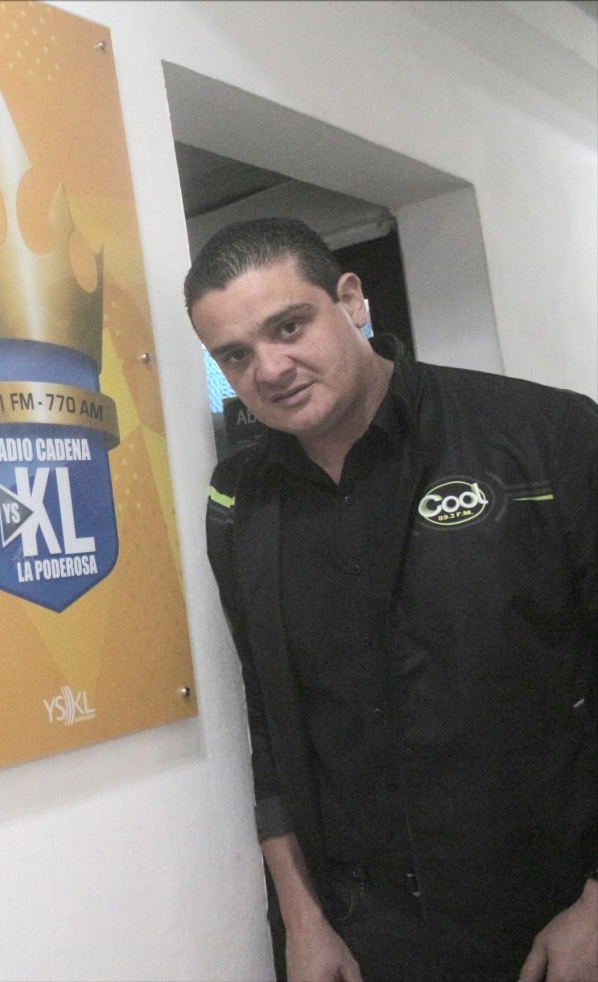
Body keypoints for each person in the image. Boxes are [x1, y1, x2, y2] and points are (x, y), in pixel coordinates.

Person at [184, 218, 598, 982]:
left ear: (351, 300)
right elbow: (271, 721)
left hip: (555, 915)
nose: (270, 369)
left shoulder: (544, 433)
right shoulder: (240, 501)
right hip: (370, 936)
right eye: (235, 355)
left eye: (289, 326)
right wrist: (303, 922)